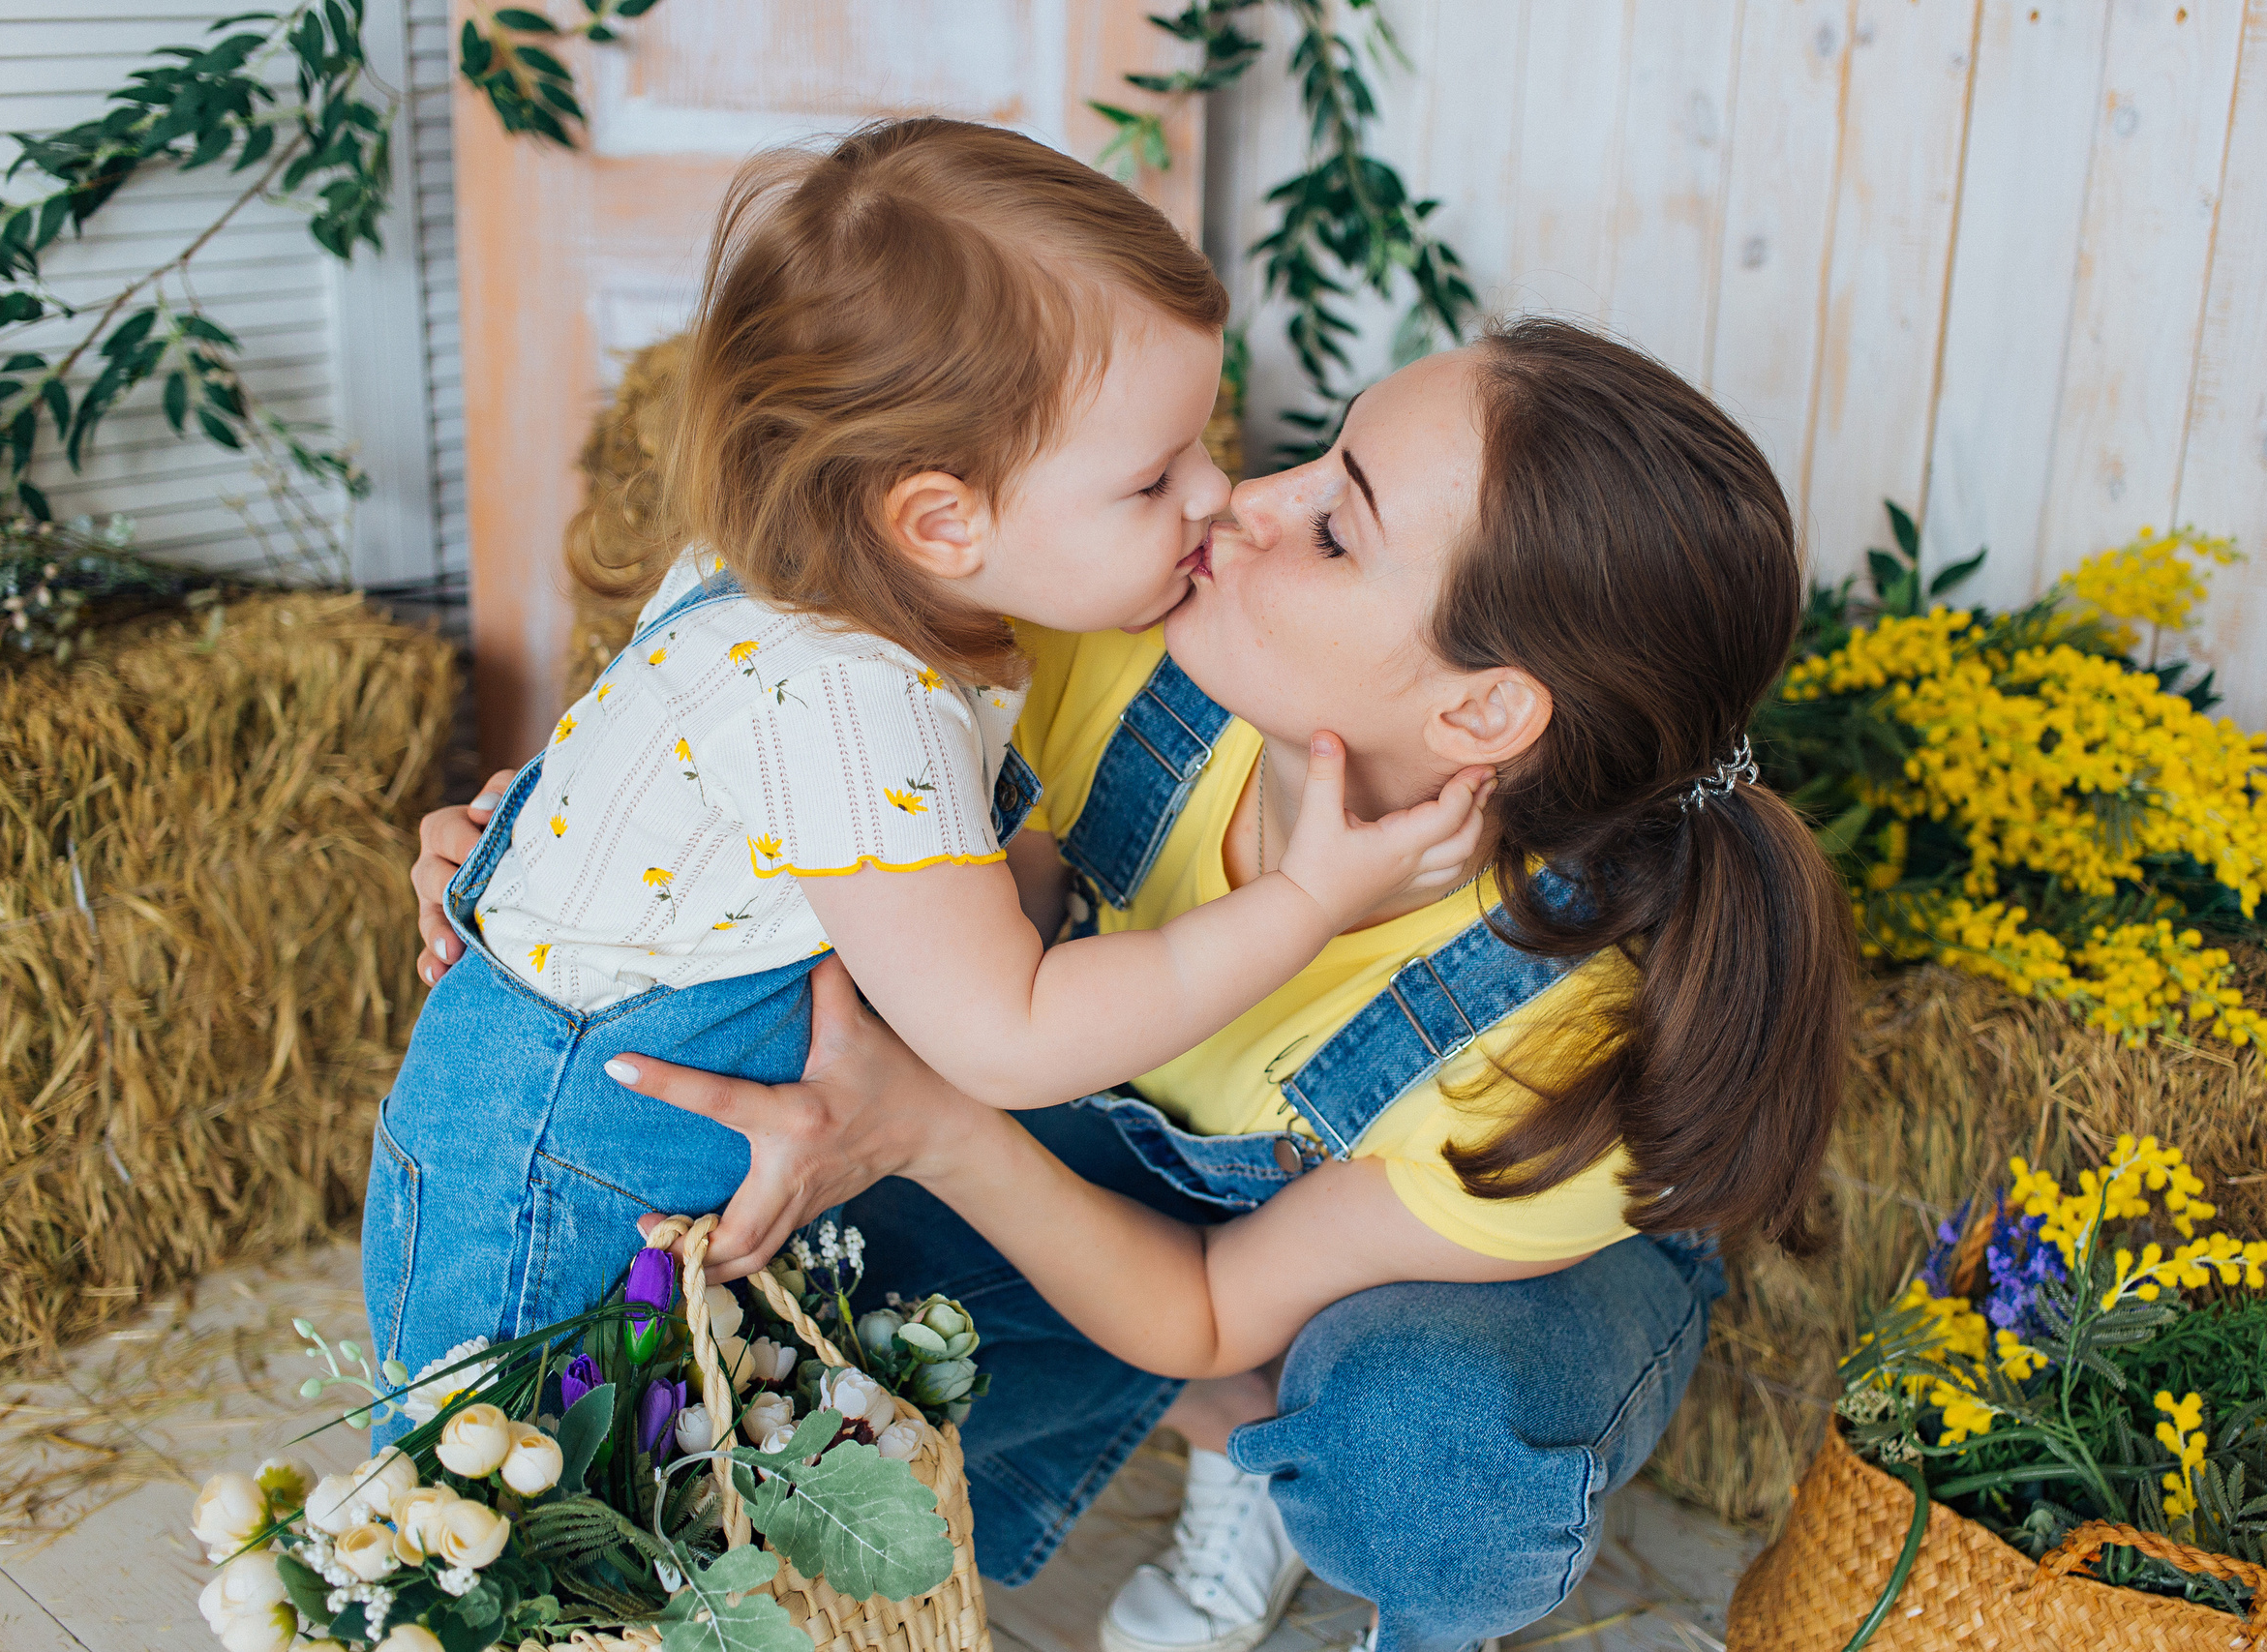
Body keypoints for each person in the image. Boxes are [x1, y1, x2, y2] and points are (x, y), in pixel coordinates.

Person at [410, 319, 1856, 1652]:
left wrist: (937, 1131)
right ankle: (1228, 1423)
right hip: (1153, 1195)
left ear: (1482, 709)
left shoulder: (1568, 1044)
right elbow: (777, 739)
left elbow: (1214, 1299)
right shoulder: (1096, 639)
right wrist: (564, 863)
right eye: (1318, 454)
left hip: (1456, 1282)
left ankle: (1337, 1482)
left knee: (1429, 1447)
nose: (1246, 499)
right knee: (760, 1314)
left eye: (1335, 526)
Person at [368, 118, 1488, 1397]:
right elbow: (1013, 1039)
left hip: (578, 1138)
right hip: (555, 1180)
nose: (1215, 493)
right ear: (944, 521)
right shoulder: (852, 703)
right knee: (519, 1485)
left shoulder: (800, 589)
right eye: (1151, 479)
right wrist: (1306, 901)